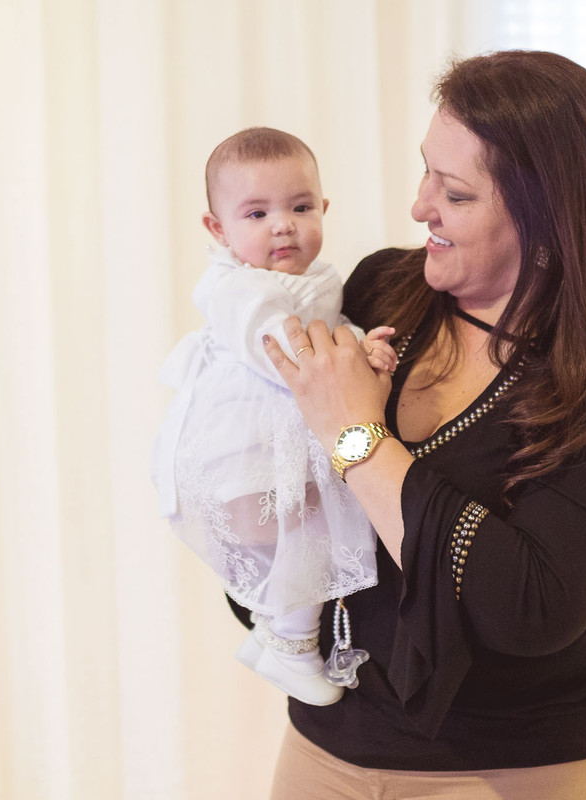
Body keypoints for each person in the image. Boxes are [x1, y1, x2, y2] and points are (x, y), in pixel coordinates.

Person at [252, 51, 586, 798]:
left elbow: (528, 608)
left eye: (455, 193)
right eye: (427, 170)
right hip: (325, 745)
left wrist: (358, 440)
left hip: (511, 765)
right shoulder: (380, 289)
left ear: (549, 215)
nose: (419, 205)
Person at [152, 127, 399, 708]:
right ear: (219, 229)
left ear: (323, 209)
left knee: (311, 527)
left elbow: (324, 335)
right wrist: (350, 361)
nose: (282, 224)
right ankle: (287, 643)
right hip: (241, 445)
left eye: (300, 206)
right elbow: (279, 345)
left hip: (278, 437)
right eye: (257, 213)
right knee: (304, 532)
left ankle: (278, 638)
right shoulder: (236, 288)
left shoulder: (316, 280)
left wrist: (360, 345)